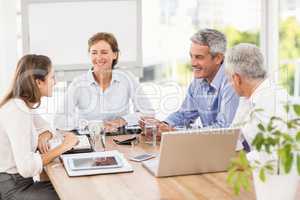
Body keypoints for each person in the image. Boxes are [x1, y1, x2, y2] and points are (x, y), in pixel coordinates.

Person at [0, 54, 78, 200]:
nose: (55, 82)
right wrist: (64, 146)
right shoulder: (17, 111)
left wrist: (45, 134)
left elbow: (47, 126)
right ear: (38, 82)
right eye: (52, 77)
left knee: (72, 185)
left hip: (19, 184)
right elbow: (27, 167)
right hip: (12, 189)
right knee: (71, 192)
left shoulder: (22, 105)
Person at [140, 28, 239, 134]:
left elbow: (224, 128)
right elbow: (185, 114)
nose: (193, 63)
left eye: (199, 57)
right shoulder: (198, 81)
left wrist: (175, 131)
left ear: (218, 58)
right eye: (191, 56)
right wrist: (163, 125)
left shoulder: (232, 82)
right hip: (209, 145)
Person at [54, 32, 153, 132]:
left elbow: (148, 112)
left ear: (115, 54)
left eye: (104, 52)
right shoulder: (78, 83)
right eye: (94, 53)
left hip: (121, 138)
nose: (99, 57)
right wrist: (90, 124)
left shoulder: (127, 78)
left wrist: (123, 120)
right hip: (90, 137)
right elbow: (59, 120)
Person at [225, 43, 289, 151]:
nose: (229, 84)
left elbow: (267, 156)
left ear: (237, 79)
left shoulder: (272, 100)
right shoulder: (248, 98)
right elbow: (232, 139)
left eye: (229, 79)